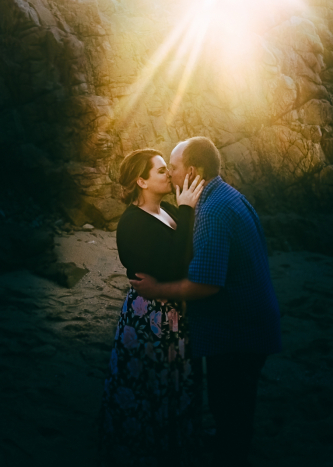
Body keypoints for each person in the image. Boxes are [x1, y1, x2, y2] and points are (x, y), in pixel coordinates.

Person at [130, 136, 282, 467]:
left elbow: (205, 285)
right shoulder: (229, 196)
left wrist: (156, 290)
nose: (170, 174)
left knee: (229, 409)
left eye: (174, 167)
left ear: (193, 170)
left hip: (238, 333)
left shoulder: (212, 211)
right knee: (235, 408)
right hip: (252, 323)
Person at [97, 148, 206, 467]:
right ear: (141, 180)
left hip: (174, 311)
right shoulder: (131, 223)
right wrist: (187, 211)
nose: (167, 175)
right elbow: (174, 265)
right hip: (149, 316)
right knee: (147, 386)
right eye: (160, 171)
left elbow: (187, 253)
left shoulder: (168, 209)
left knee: (173, 383)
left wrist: (184, 212)